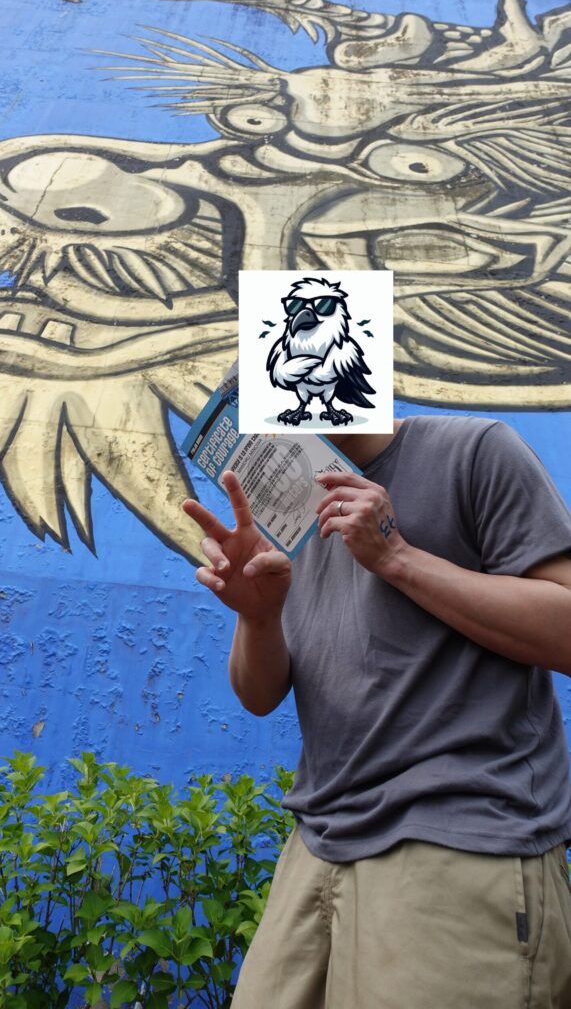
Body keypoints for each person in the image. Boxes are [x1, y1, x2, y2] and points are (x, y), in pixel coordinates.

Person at [182, 414, 571, 1009]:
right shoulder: (290, 509)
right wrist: (257, 616)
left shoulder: (475, 451)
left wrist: (396, 557)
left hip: (461, 839)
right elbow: (258, 696)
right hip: (317, 841)